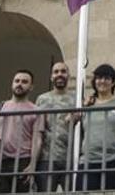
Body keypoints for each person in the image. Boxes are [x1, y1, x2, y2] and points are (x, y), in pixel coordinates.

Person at [76, 64, 115, 191]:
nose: (102, 81)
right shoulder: (88, 104)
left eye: (107, 78)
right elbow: (69, 120)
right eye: (99, 78)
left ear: (113, 83)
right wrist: (82, 106)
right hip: (89, 161)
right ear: (94, 82)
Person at [0, 69, 45, 193]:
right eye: (17, 81)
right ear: (12, 84)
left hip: (23, 162)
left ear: (31, 87)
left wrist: (33, 165)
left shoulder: (36, 110)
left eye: (24, 82)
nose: (19, 84)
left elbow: (37, 140)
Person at [35, 61, 75, 191]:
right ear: (51, 77)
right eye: (56, 72)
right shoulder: (42, 99)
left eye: (63, 71)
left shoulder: (76, 98)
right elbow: (37, 128)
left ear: (68, 75)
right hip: (46, 158)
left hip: (70, 158)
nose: (60, 74)